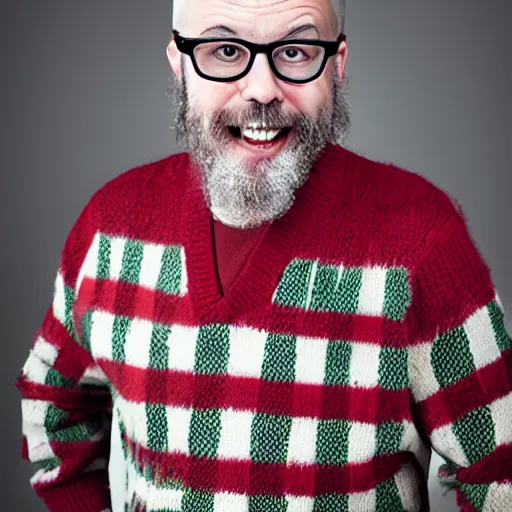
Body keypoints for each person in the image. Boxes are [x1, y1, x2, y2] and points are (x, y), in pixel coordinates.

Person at [17, 0, 512, 511]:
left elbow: (502, 472)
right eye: (226, 50)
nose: (261, 89)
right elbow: (54, 407)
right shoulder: (110, 227)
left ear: (337, 65)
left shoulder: (421, 240)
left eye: (295, 51)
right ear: (179, 63)